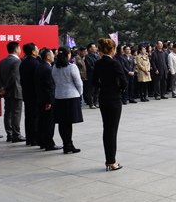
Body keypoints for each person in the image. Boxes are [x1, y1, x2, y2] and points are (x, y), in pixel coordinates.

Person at [91, 38, 127, 171]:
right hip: (114, 98)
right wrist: (119, 89)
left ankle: (109, 159)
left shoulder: (98, 63)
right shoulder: (115, 63)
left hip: (103, 97)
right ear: (112, 49)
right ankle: (111, 161)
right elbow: (124, 82)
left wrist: (104, 86)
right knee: (112, 130)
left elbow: (94, 81)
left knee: (106, 128)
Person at [51, 46, 83, 154]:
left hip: (59, 97)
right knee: (68, 123)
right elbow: (78, 83)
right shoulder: (72, 67)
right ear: (68, 55)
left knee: (62, 123)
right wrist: (79, 93)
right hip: (71, 96)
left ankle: (66, 144)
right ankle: (69, 144)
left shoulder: (55, 67)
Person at [0, 41, 25, 143]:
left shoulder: (2, 61)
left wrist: (3, 88)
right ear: (16, 49)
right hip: (16, 91)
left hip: (6, 92)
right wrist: (6, 88)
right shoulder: (17, 61)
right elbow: (13, 76)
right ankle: (16, 134)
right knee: (16, 113)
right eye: (19, 48)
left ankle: (9, 134)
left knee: (8, 113)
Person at [35, 48, 61, 151]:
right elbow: (49, 87)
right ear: (47, 57)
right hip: (47, 99)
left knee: (42, 121)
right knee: (49, 122)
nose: (54, 56)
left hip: (40, 98)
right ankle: (49, 143)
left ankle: (42, 141)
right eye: (52, 54)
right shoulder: (47, 69)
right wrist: (49, 101)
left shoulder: (40, 66)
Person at [19, 43, 40, 146]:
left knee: (29, 117)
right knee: (35, 117)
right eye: (36, 49)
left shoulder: (23, 63)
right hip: (35, 94)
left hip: (26, 93)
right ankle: (35, 138)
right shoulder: (36, 63)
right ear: (33, 52)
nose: (38, 50)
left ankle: (29, 138)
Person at [85, 43, 100, 109]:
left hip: (98, 75)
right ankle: (91, 103)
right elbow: (89, 66)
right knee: (91, 89)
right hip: (91, 75)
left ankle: (95, 102)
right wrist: (97, 70)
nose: (95, 48)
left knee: (97, 89)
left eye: (95, 47)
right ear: (90, 49)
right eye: (94, 47)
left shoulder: (97, 56)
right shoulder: (87, 56)